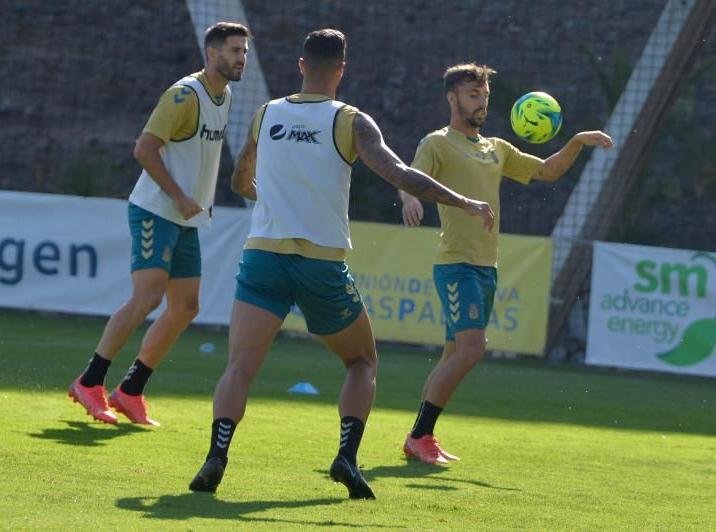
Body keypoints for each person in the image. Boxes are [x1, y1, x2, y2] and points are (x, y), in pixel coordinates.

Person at [188, 29, 494, 499]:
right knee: (361, 360)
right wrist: (463, 201)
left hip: (263, 257)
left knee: (240, 366)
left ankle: (216, 455)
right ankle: (346, 457)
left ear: (302, 66)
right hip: (320, 265)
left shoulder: (266, 114)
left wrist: (270, 197)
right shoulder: (351, 121)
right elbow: (400, 174)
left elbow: (239, 180)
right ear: (342, 70)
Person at [399, 63, 614, 464]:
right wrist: (409, 198)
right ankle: (420, 434)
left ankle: (419, 437)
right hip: (456, 263)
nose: (481, 103)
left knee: (454, 353)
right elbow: (408, 176)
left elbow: (548, 171)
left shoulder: (496, 148)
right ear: (452, 98)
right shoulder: (438, 142)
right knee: (472, 348)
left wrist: (577, 142)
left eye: (484, 96)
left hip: (486, 267)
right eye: (472, 95)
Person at [67, 22, 250, 426]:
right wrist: (181, 197)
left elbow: (198, 157)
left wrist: (200, 200)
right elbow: (144, 149)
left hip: (185, 217)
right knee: (148, 296)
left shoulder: (226, 95)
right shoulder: (184, 95)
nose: (242, 58)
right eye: (235, 50)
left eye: (244, 52)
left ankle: (130, 390)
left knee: (185, 306)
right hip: (156, 210)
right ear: (212, 53)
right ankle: (89, 382)